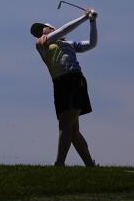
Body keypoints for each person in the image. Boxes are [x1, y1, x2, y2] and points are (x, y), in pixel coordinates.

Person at [30, 9, 99, 167]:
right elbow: (63, 30)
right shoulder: (42, 43)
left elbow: (92, 44)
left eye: (43, 28)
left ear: (51, 29)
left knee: (66, 125)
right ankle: (90, 165)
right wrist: (84, 18)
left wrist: (92, 22)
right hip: (60, 84)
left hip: (74, 80)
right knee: (72, 131)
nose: (40, 32)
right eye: (38, 31)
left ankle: (59, 164)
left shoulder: (69, 44)